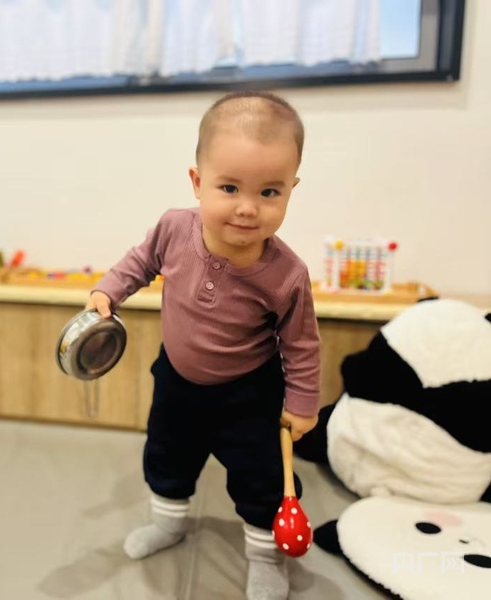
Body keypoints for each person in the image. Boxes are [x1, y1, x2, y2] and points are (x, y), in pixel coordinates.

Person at [87, 91, 320, 600]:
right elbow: (139, 262)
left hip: (249, 394)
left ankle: (265, 556)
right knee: (165, 454)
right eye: (230, 187)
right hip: (177, 379)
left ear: (292, 189)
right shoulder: (174, 228)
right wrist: (108, 291)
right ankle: (168, 523)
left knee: (262, 477)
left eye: (270, 192)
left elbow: (302, 344)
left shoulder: (286, 274)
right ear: (198, 182)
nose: (247, 208)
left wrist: (303, 403)